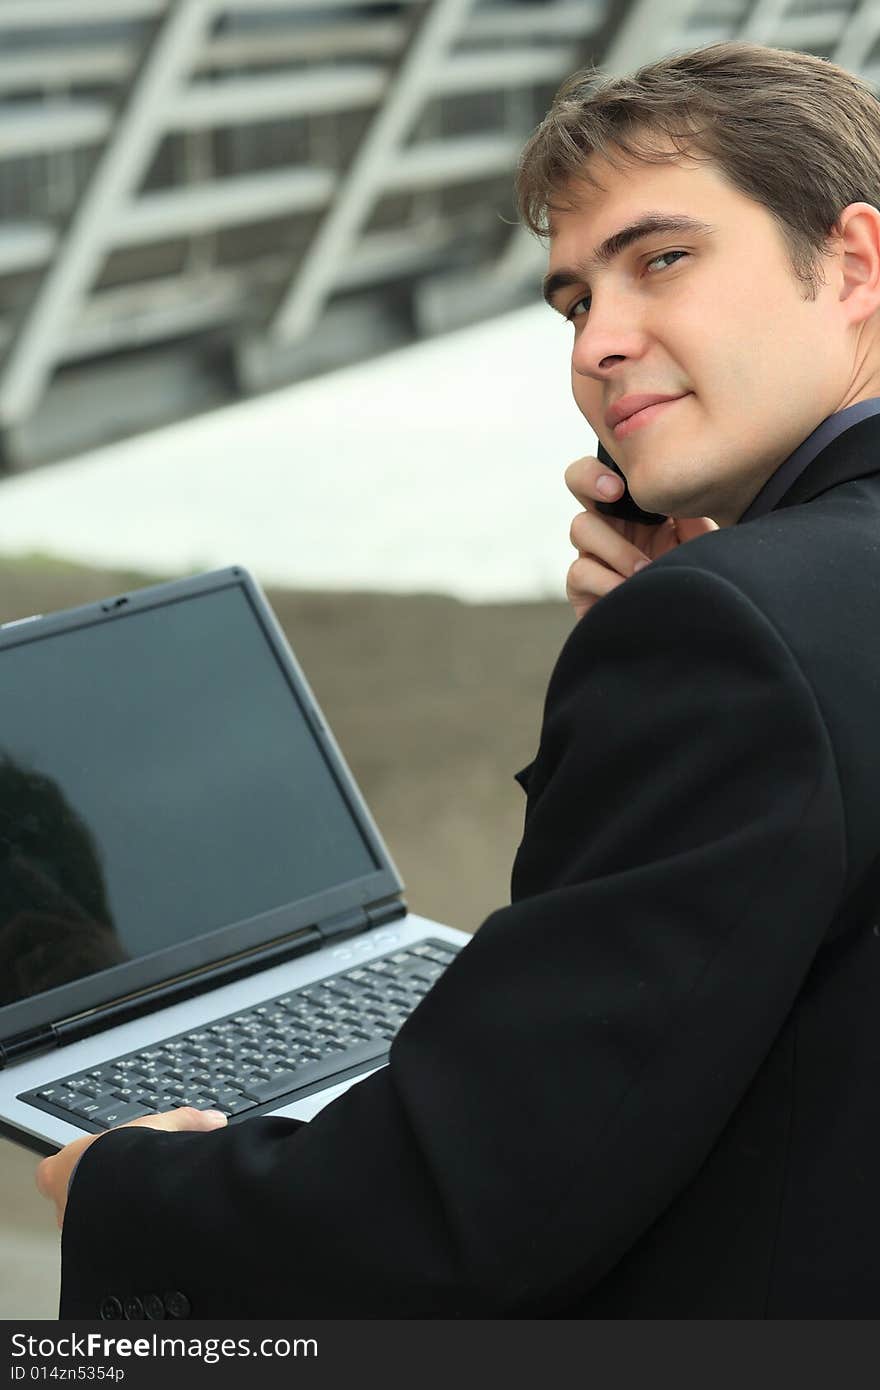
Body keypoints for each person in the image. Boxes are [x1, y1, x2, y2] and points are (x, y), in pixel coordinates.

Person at [38, 39, 880, 1317]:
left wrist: (128, 1186)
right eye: (572, 301)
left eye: (661, 259)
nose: (601, 340)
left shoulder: (730, 637)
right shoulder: (751, 614)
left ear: (855, 263)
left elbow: (463, 1215)